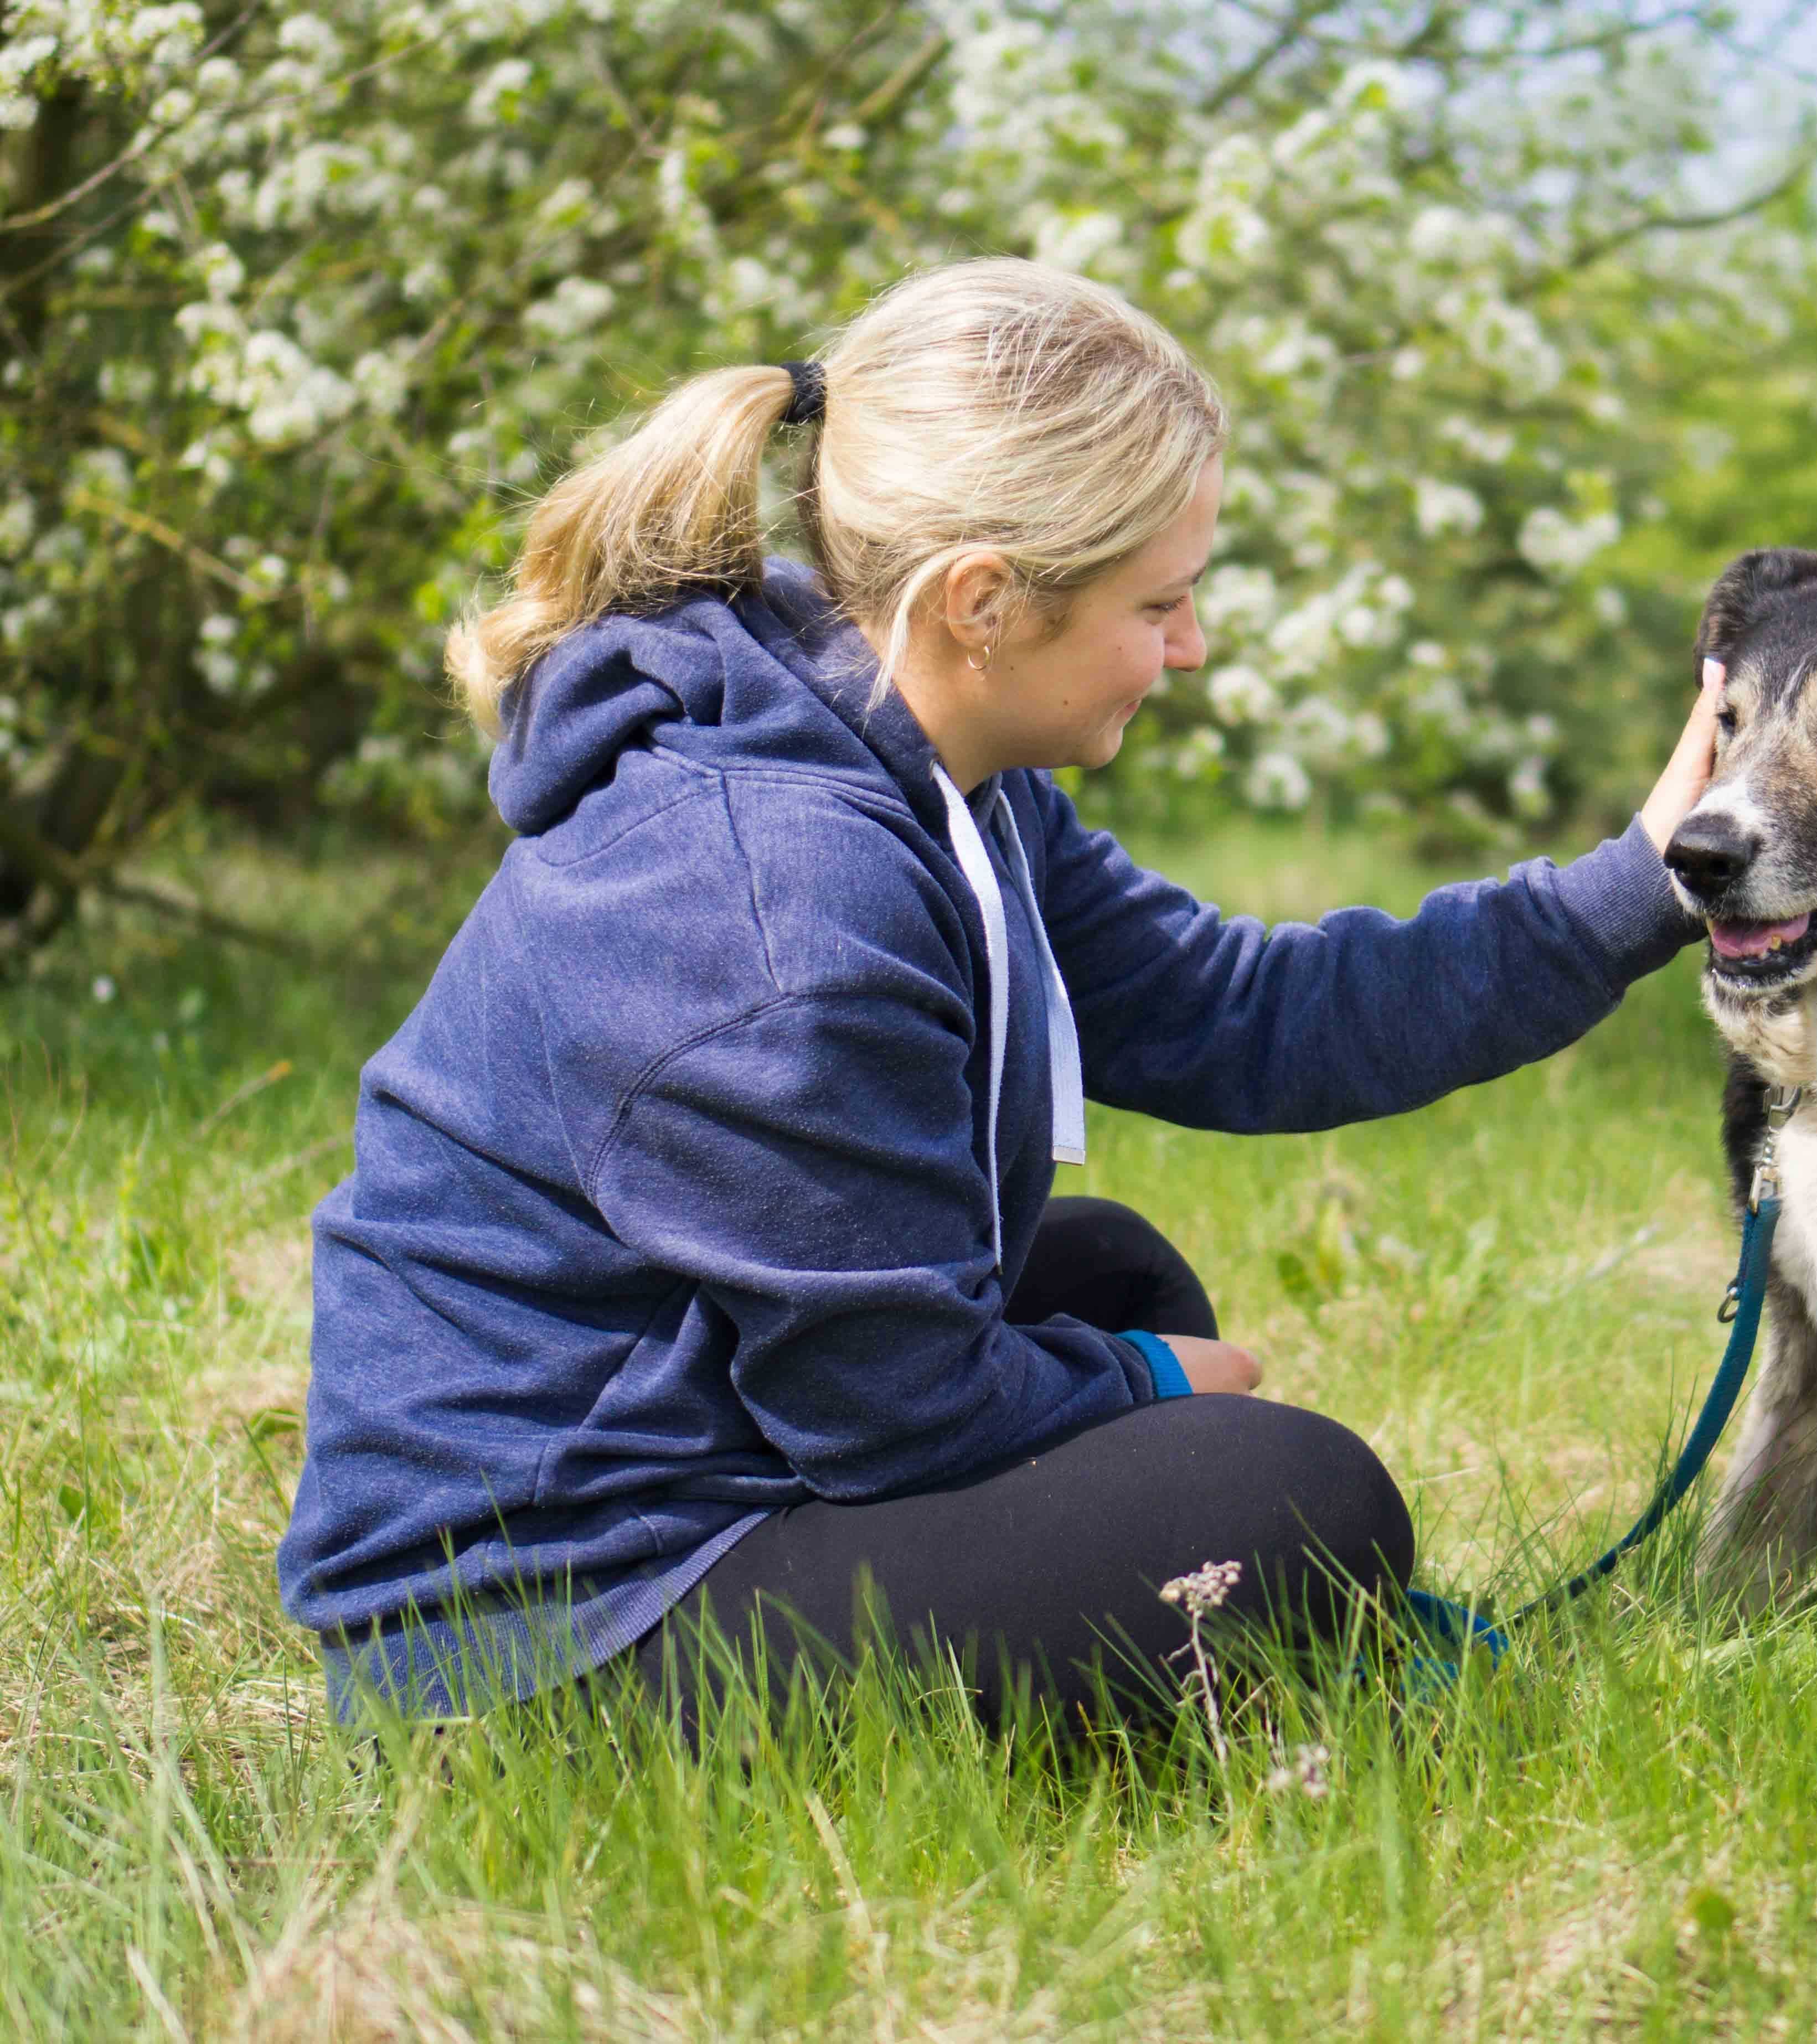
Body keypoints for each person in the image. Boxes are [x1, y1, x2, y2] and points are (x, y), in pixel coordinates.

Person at [280, 257, 1725, 1732]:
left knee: (1102, 1272)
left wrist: (1636, 889)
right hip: (541, 1628)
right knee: (1298, 1500)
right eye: (1156, 602)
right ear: (980, 600)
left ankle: (1177, 1661)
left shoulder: (930, 769)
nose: (1191, 647)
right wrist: (1146, 1384)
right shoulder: (773, 905)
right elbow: (893, 1416)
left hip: (714, 1447)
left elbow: (1241, 1017)